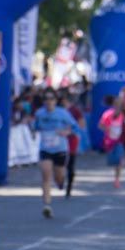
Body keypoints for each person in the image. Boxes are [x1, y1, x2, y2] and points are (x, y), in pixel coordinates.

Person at [33, 88, 77, 218]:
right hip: (45, 149)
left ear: (55, 100)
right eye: (46, 98)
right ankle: (47, 205)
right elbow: (35, 126)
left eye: (51, 98)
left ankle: (61, 182)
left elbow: (74, 127)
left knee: (58, 178)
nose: (48, 101)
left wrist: (66, 132)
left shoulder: (62, 113)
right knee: (46, 175)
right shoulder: (39, 113)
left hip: (60, 149)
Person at [59, 91, 86, 198]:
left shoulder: (75, 111)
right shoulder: (58, 111)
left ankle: (69, 187)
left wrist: (71, 130)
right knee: (59, 161)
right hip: (59, 139)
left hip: (71, 139)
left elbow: (82, 124)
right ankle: (60, 180)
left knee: (70, 163)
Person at [98, 94, 125, 189]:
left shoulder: (124, 114)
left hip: (120, 140)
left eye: (119, 103)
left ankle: (117, 178)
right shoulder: (108, 114)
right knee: (113, 161)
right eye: (116, 103)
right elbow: (100, 125)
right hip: (110, 140)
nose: (118, 105)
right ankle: (116, 174)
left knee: (120, 160)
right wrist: (107, 128)